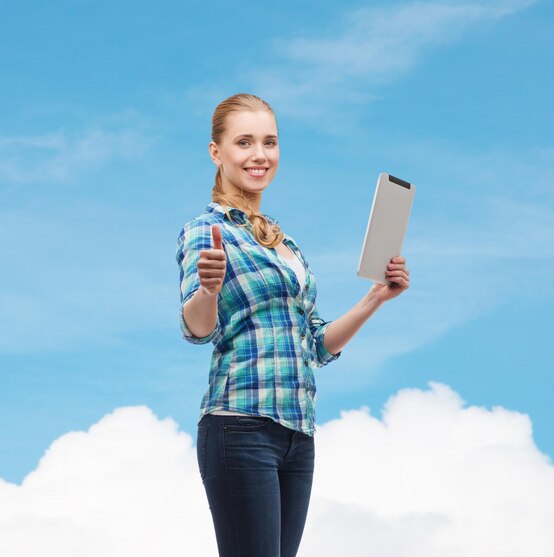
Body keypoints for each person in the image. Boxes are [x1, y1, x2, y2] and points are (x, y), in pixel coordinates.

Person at [175, 93, 410, 557]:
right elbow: (197, 328)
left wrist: (374, 299)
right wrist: (207, 290)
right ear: (216, 152)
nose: (260, 155)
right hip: (240, 427)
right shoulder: (207, 231)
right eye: (244, 142)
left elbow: (316, 345)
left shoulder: (288, 245)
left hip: (297, 435)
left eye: (270, 142)